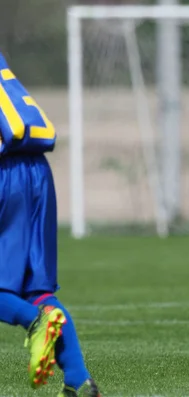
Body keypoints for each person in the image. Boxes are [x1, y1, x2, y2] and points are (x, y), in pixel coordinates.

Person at [0, 53, 100, 396]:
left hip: (3, 171)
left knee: (27, 302)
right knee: (36, 290)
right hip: (37, 170)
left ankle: (35, 322)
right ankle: (78, 381)